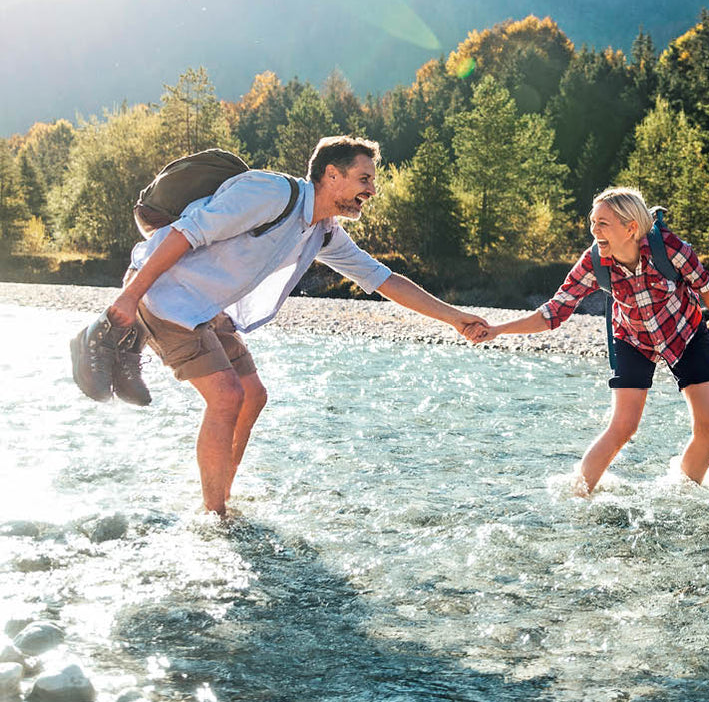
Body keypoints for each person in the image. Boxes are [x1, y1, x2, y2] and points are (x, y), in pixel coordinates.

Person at [103, 135, 488, 516]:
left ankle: (222, 495)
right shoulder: (269, 193)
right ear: (332, 175)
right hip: (166, 296)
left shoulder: (322, 231)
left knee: (253, 395)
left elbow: (383, 278)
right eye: (364, 179)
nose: (372, 190)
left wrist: (454, 318)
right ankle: (214, 515)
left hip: (204, 307)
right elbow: (186, 232)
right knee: (226, 397)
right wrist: (130, 296)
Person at [470, 187, 709, 495]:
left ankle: (683, 494)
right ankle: (576, 495)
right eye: (593, 222)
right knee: (623, 427)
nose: (594, 230)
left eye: (603, 223)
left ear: (630, 228)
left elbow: (705, 285)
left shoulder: (669, 249)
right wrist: (498, 329)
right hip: (632, 340)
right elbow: (553, 312)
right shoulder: (594, 263)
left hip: (685, 334)